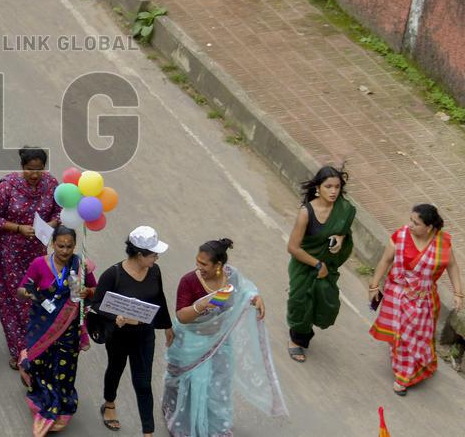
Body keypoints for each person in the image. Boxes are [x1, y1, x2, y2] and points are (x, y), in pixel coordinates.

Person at [163, 239, 286, 437]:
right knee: (187, 385)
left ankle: (215, 428)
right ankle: (183, 423)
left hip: (218, 343)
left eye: (204, 264)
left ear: (218, 265)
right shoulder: (189, 281)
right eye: (197, 261)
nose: (198, 267)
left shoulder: (231, 277)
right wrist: (201, 305)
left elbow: (244, 292)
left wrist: (256, 298)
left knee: (216, 389)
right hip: (190, 343)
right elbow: (182, 316)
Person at [369, 204, 463, 395]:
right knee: (401, 335)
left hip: (424, 300)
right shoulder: (401, 236)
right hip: (397, 295)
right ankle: (403, 376)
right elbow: (386, 260)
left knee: (417, 337)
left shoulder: (441, 243)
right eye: (410, 220)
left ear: (429, 227)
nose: (410, 225)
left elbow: (452, 266)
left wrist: (458, 293)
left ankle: (410, 365)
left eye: (416, 223)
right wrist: (374, 285)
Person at [90, 226, 173, 435]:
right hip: (119, 336)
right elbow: (96, 303)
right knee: (115, 369)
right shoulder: (113, 274)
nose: (156, 258)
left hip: (145, 335)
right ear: (139, 255)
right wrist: (115, 316)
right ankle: (109, 404)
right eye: (153, 254)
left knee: (143, 382)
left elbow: (159, 298)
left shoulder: (154, 271)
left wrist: (167, 326)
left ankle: (148, 431)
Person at [0, 146, 62, 369]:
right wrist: (18, 228)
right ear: (22, 166)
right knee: (15, 300)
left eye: (39, 169)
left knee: (38, 297)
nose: (34, 174)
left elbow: (60, 212)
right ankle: (18, 350)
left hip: (37, 253)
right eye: (30, 169)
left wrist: (50, 224)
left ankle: (37, 345)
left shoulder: (51, 184)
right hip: (10, 254)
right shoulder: (7, 187)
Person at [16, 226, 97, 435]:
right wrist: (30, 293)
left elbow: (96, 291)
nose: (65, 251)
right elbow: (22, 290)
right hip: (42, 326)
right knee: (41, 366)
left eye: (69, 246)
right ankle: (42, 401)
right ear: (53, 244)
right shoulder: (39, 264)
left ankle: (62, 406)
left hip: (69, 329)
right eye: (60, 246)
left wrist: (86, 291)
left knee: (65, 370)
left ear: (75, 245)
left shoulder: (80, 265)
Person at [285, 165, 356, 363]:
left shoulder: (344, 209)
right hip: (305, 265)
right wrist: (318, 265)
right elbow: (293, 248)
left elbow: (344, 229)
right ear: (318, 188)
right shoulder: (306, 213)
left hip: (328, 266)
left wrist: (341, 238)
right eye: (328, 187)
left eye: (337, 187)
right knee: (300, 303)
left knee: (327, 303)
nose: (333, 191)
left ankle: (305, 327)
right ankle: (296, 340)